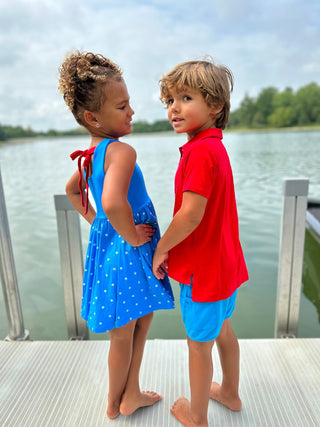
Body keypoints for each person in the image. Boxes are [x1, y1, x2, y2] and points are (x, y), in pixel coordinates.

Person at [58, 51, 175, 419]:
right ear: (93, 117)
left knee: (139, 319)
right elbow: (111, 201)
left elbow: (73, 192)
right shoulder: (121, 151)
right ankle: (114, 403)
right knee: (126, 330)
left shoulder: (92, 155)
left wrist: (100, 226)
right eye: (122, 106)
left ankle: (130, 394)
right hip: (130, 247)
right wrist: (133, 236)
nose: (131, 112)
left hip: (112, 247)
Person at [152, 59, 248, 427]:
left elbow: (191, 213)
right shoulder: (214, 148)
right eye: (169, 100)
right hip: (223, 266)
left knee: (198, 345)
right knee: (223, 329)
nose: (174, 107)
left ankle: (197, 417)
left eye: (186, 97)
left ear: (215, 106)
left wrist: (162, 247)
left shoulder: (199, 152)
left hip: (203, 273)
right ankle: (230, 393)